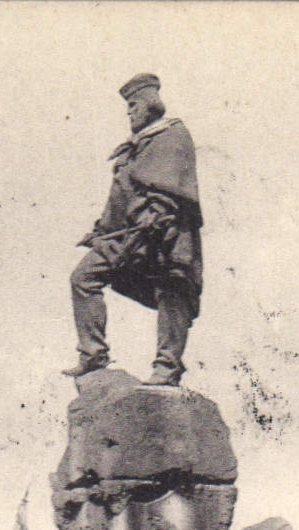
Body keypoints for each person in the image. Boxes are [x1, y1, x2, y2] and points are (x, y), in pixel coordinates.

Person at [65, 74, 203, 386]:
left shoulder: (173, 135)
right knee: (82, 279)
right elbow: (121, 194)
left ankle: (167, 367)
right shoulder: (134, 146)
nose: (129, 112)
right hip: (125, 233)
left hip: (166, 231)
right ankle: (93, 354)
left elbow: (173, 188)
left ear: (151, 105)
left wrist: (156, 217)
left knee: (174, 287)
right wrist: (102, 230)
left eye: (133, 105)